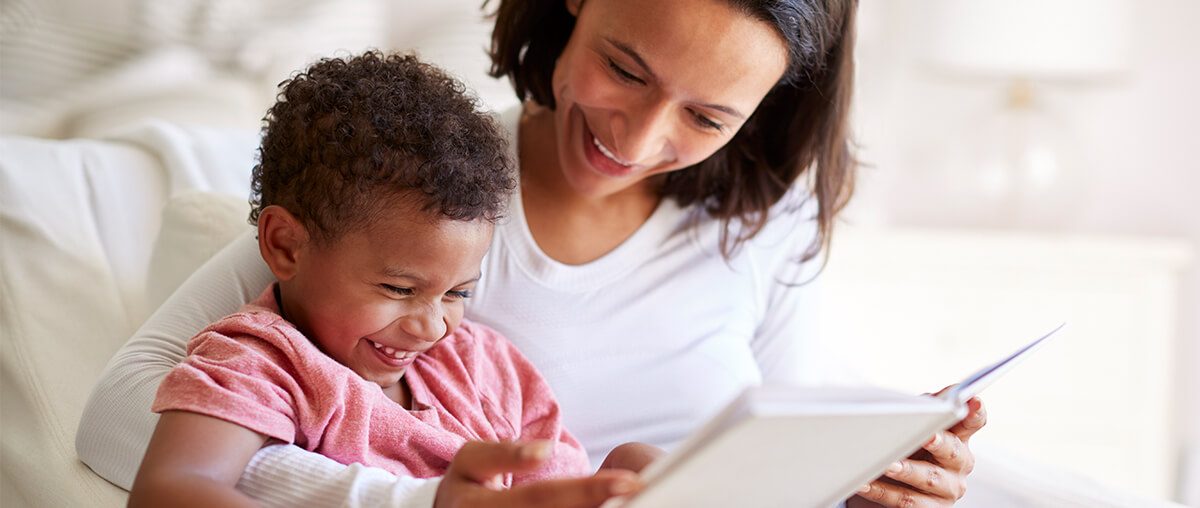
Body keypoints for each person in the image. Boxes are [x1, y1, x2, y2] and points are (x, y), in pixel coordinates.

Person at [79, 1, 987, 507]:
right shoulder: (417, 198)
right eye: (626, 70)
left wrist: (860, 473)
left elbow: (768, 433)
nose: (636, 140)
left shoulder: (763, 223)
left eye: (708, 116)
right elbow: (125, 423)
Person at [128, 51, 654, 507]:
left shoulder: (482, 365)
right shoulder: (266, 363)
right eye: (400, 290)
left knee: (642, 464)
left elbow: (556, 483)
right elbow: (171, 488)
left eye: (457, 293)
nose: (432, 327)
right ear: (286, 245)